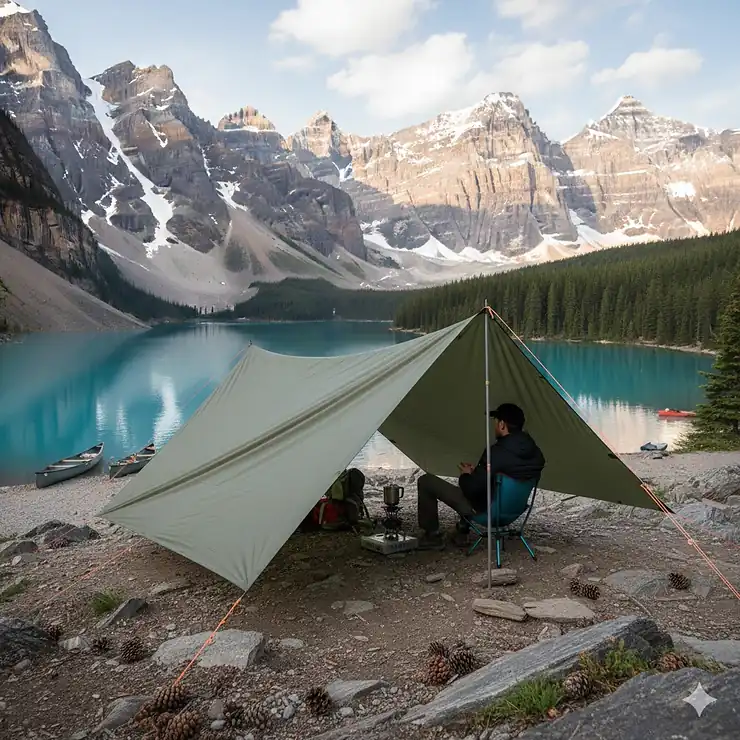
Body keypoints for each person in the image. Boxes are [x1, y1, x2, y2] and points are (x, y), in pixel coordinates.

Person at [416, 403, 545, 550]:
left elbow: (471, 489)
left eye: (495, 422)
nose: (495, 426)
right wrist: (478, 474)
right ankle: (461, 532)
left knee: (427, 481)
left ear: (502, 425)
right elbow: (509, 472)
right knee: (483, 484)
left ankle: (431, 537)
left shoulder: (495, 453)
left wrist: (466, 475)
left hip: (488, 512)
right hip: (515, 510)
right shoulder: (536, 453)